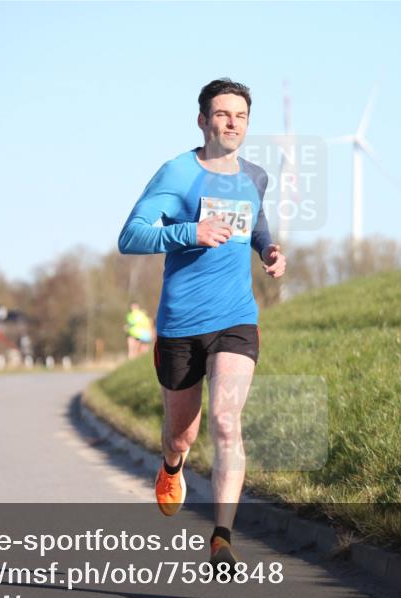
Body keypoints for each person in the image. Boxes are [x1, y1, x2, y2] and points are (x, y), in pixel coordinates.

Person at [117, 78, 286, 572]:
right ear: (202, 120)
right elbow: (131, 236)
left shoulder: (255, 176)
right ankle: (172, 466)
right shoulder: (177, 172)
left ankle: (221, 538)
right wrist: (190, 232)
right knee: (181, 436)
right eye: (222, 114)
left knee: (227, 422)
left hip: (236, 319)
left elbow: (256, 223)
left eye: (241, 116)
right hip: (181, 324)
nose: (232, 123)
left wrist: (268, 250)